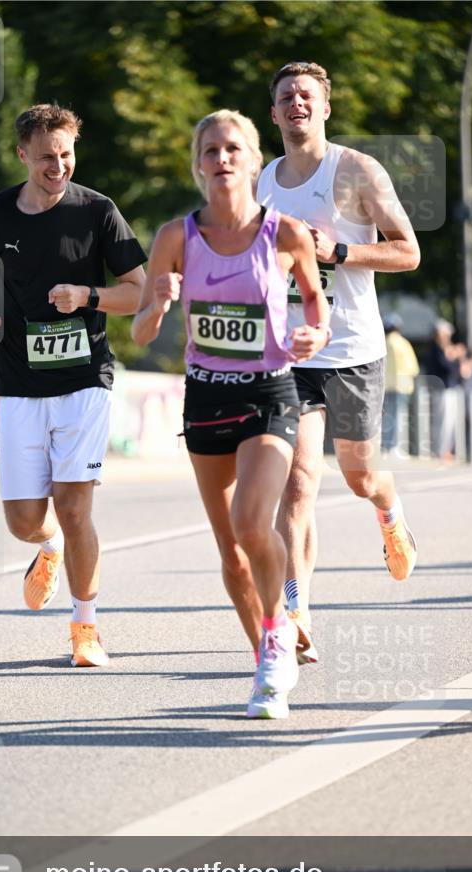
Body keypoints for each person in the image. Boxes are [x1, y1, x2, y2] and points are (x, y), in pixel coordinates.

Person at [132, 109, 331, 719]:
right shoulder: (175, 236)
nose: (223, 158)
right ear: (199, 164)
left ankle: (277, 638)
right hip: (207, 397)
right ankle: (267, 656)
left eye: (234, 148)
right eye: (211, 150)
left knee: (253, 522)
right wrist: (158, 306)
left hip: (270, 394)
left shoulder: (287, 234)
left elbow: (319, 314)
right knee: (231, 549)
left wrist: (312, 340)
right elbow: (139, 333)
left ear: (252, 160)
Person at [0, 103, 146, 667]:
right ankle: (47, 548)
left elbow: (138, 290)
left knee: (74, 505)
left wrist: (88, 296)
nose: (58, 166)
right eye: (46, 158)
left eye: (66, 155)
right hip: (17, 381)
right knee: (22, 521)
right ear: (22, 155)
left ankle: (85, 626)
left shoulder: (97, 211)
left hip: (85, 378)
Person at [256, 61, 421, 665]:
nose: (296, 103)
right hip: (291, 351)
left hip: (352, 349)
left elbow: (409, 251)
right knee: (297, 482)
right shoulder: (261, 181)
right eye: (284, 97)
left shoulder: (355, 171)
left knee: (359, 477)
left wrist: (341, 250)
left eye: (306, 95)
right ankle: (296, 610)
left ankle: (388, 507)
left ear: (324, 107)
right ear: (273, 114)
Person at [381, 312, 419, 455]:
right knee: (399, 417)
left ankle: (386, 446)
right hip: (402, 386)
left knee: (387, 417)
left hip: (385, 385)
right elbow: (413, 368)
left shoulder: (382, 342)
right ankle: (395, 447)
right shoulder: (403, 343)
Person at [426, 318, 463, 461]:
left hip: (448, 389)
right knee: (443, 422)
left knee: (449, 422)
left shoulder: (441, 349)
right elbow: (447, 368)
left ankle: (445, 450)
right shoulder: (436, 349)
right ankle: (440, 451)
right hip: (442, 390)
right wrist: (454, 358)